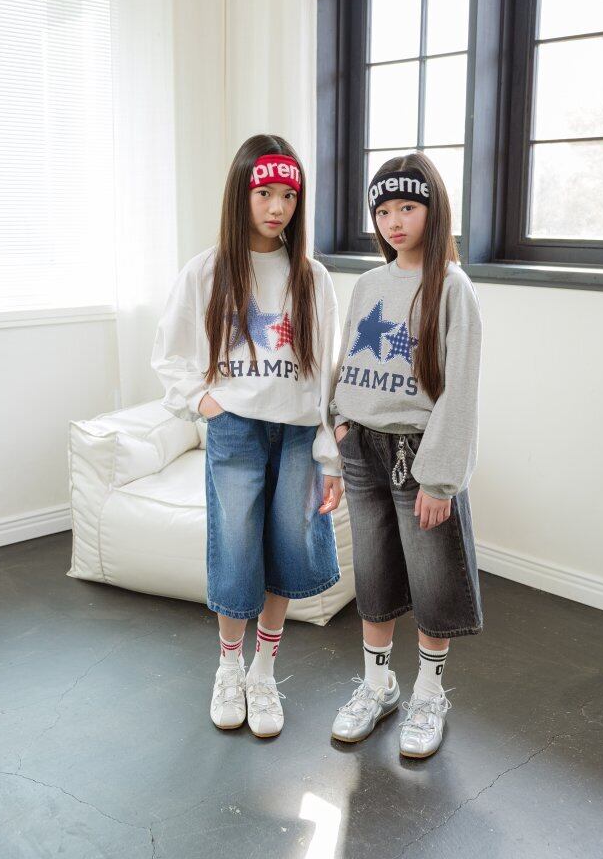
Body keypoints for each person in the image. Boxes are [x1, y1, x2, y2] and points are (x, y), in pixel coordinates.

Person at [151, 134, 344, 739]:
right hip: (234, 427)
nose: (277, 206)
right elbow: (169, 353)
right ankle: (229, 666)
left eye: (289, 195)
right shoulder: (207, 271)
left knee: (288, 543)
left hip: (298, 433)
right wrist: (205, 403)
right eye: (265, 193)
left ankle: (264, 671)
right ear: (241, 195)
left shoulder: (312, 277)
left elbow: (329, 376)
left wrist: (330, 456)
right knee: (235, 544)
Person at [329, 151, 483, 758]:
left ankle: (429, 694)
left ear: (432, 210)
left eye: (407, 208)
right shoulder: (369, 284)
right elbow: (348, 358)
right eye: (384, 211)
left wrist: (440, 480)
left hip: (418, 454)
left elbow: (460, 388)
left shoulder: (453, 287)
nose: (394, 221)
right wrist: (339, 421)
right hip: (361, 447)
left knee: (433, 577)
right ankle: (377, 685)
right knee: (373, 570)